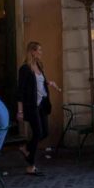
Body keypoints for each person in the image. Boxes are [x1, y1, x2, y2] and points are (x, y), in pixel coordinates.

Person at [17, 42, 60, 177]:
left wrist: (49, 83)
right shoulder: (25, 69)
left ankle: (26, 148)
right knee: (37, 133)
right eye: (39, 50)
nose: (41, 53)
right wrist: (20, 110)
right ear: (32, 52)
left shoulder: (39, 66)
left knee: (44, 132)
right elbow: (21, 91)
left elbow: (39, 82)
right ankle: (31, 166)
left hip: (42, 104)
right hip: (32, 105)